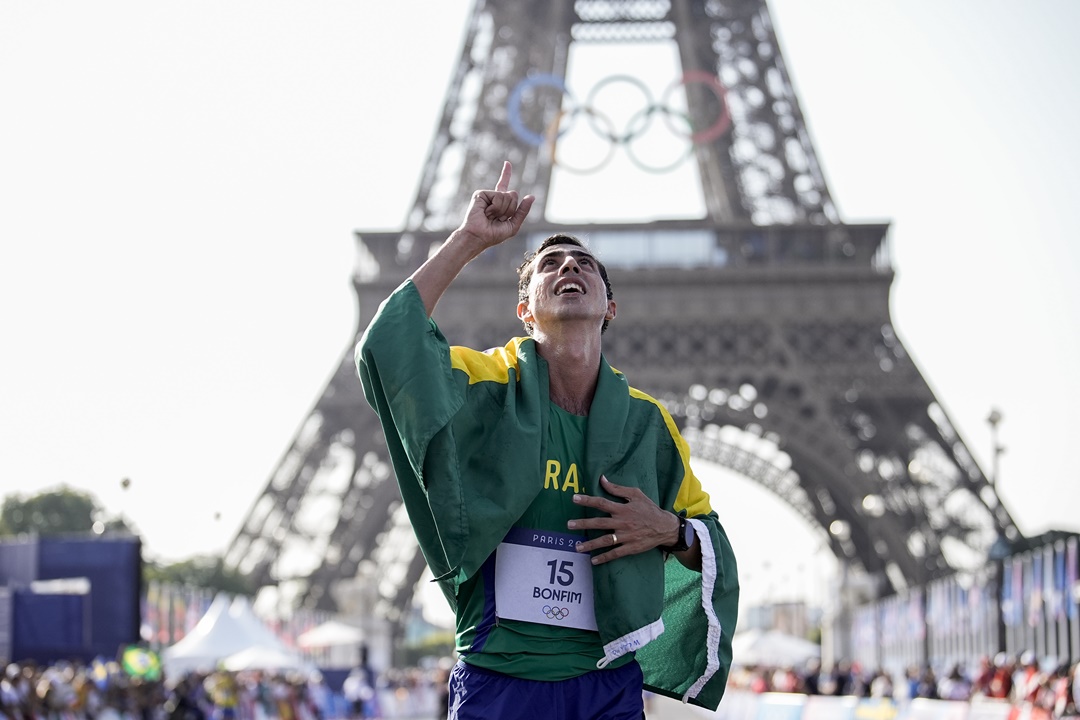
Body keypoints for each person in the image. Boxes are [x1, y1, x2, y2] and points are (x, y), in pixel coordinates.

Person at [356, 161, 739, 718]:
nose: (569, 267)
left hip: (604, 686)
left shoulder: (648, 424)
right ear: (524, 309)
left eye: (585, 264)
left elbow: (710, 540)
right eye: (551, 265)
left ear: (609, 306)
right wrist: (468, 241)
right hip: (501, 677)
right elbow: (388, 350)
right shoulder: (482, 384)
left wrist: (671, 529)